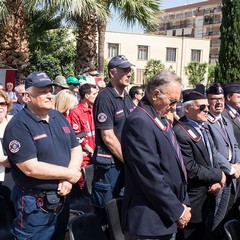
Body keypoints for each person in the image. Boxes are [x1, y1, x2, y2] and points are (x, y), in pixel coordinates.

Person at [3, 71, 82, 240]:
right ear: (28, 96)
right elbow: (30, 167)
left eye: (50, 91)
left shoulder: (57, 116)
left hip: (62, 198)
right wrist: (70, 174)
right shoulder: (19, 125)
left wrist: (69, 178)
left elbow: (75, 148)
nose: (49, 96)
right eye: (42, 92)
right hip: (35, 205)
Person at [122, 70, 191, 240]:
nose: (175, 107)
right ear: (155, 94)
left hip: (165, 216)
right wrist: (178, 210)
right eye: (172, 101)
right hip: (150, 221)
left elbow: (175, 164)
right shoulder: (139, 122)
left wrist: (183, 203)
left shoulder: (158, 118)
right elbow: (150, 175)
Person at [173, 85, 226, 240]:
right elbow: (190, 168)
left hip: (209, 196)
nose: (206, 110)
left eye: (207, 106)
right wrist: (218, 174)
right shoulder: (181, 132)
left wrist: (217, 180)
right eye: (202, 106)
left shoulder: (203, 127)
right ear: (187, 109)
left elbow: (212, 155)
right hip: (193, 201)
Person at [91, 55, 135, 225]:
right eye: (124, 70)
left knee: (122, 213)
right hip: (110, 167)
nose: (129, 74)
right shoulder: (105, 98)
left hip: (124, 165)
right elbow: (108, 137)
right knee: (108, 215)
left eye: (129, 70)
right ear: (112, 73)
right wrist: (130, 161)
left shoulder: (127, 97)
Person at [205, 83, 240, 238]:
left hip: (233, 176)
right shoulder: (205, 122)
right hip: (220, 176)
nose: (218, 102)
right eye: (213, 99)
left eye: (220, 98)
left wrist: (238, 165)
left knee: (227, 215)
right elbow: (213, 151)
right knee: (215, 221)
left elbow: (235, 145)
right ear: (207, 101)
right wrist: (230, 169)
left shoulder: (225, 121)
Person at [69, 83, 98, 168]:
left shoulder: (93, 109)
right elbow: (78, 135)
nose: (97, 96)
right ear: (87, 96)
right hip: (85, 158)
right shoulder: (76, 112)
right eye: (94, 94)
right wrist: (90, 150)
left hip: (95, 155)